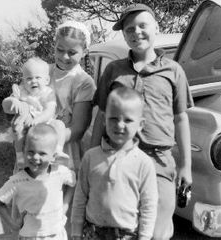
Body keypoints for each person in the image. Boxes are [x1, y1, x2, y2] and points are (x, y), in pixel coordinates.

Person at [91, 3, 194, 239]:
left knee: (157, 229)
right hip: (116, 158)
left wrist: (186, 166)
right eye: (129, 29)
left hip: (159, 161)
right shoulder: (114, 70)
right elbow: (101, 115)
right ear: (125, 36)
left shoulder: (174, 71)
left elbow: (181, 118)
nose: (136, 32)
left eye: (142, 25)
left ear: (156, 28)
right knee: (119, 227)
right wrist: (93, 157)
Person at [72, 87, 158, 240]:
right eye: (114, 118)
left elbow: (149, 205)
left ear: (140, 124)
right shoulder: (91, 157)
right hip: (93, 232)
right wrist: (76, 231)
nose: (119, 125)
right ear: (104, 119)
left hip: (127, 234)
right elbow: (80, 197)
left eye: (128, 120)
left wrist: (145, 236)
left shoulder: (144, 163)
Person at [0, 123, 76, 240]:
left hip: (57, 234)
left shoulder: (60, 173)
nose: (35, 157)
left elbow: (73, 181)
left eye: (42, 153)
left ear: (53, 156)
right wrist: (13, 224)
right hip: (30, 236)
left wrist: (65, 205)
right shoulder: (18, 181)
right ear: (24, 151)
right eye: (31, 152)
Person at [2, 57, 68, 171]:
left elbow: (49, 111)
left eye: (37, 77)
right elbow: (6, 105)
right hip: (27, 125)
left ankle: (58, 151)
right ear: (23, 80)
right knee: (18, 128)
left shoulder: (48, 93)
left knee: (60, 124)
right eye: (29, 78)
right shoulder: (21, 91)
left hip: (46, 124)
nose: (33, 81)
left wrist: (37, 120)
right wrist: (12, 101)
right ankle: (20, 157)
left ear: (46, 80)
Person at [49, 20, 96, 173]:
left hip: (63, 149)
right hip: (33, 147)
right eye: (60, 50)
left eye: (72, 52)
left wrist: (45, 141)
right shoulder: (42, 72)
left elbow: (78, 128)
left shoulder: (84, 82)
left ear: (85, 52)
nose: (64, 57)